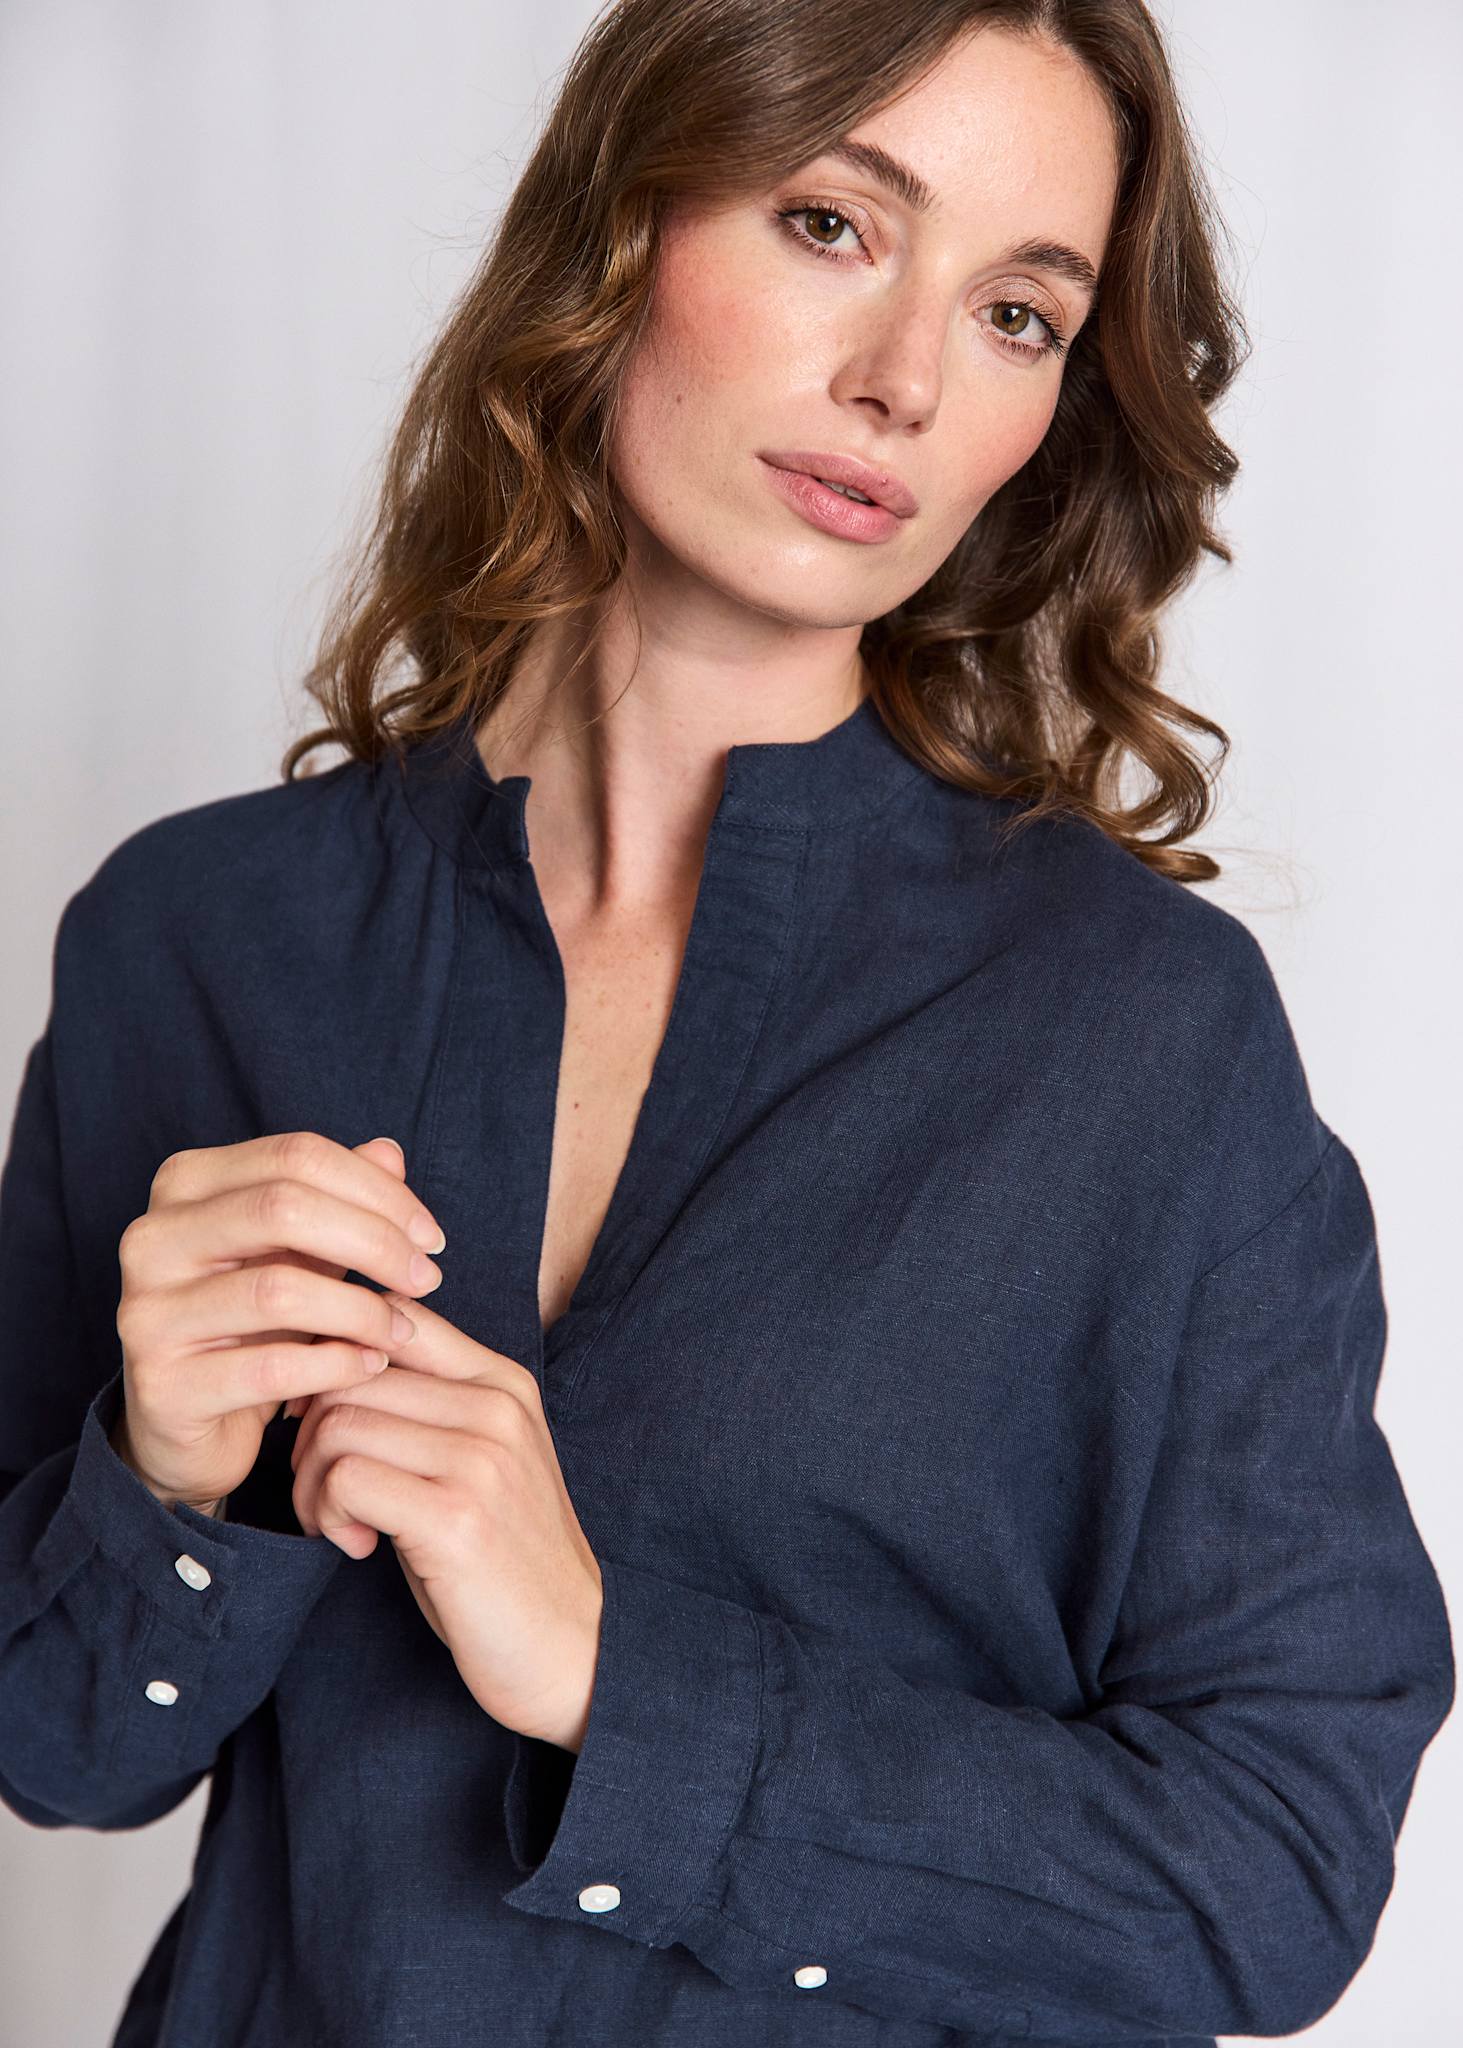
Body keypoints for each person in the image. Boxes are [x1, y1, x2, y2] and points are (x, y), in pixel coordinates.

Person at [0, 1, 1453, 2043]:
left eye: (1019, 315)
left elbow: (1279, 1869)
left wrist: (621, 1682)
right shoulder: (202, 938)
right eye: (834, 224)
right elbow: (59, 1747)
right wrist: (162, 1485)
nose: (904, 380)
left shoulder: (1145, 1036)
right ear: (625, 220)